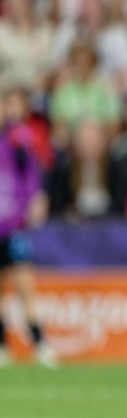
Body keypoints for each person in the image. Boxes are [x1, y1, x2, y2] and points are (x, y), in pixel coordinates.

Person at [0, 95, 56, 367]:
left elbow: (33, 172)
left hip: (13, 225)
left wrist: (37, 197)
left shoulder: (17, 140)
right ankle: (3, 349)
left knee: (26, 288)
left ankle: (40, 344)